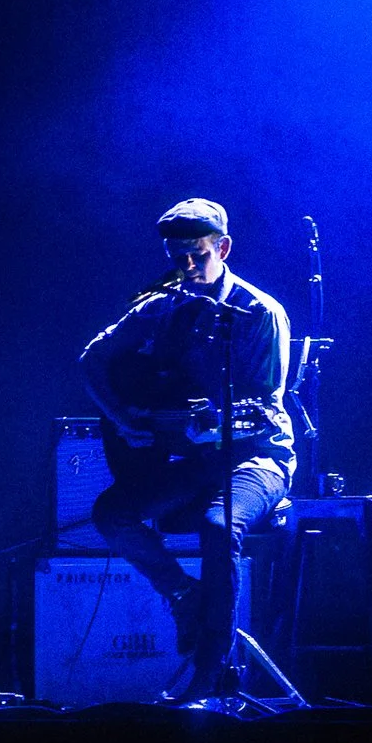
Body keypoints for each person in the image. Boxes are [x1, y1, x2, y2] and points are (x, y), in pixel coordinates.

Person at [79, 198, 295, 700]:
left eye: (198, 255)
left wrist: (213, 425)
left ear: (223, 247)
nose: (189, 267)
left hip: (258, 456)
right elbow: (92, 359)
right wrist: (122, 419)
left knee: (220, 527)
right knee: (112, 513)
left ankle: (211, 666)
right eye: (178, 257)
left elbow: (264, 406)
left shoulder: (260, 312)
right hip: (200, 460)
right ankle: (182, 593)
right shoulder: (160, 307)